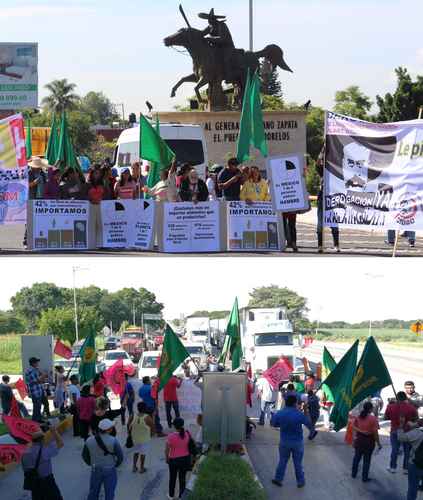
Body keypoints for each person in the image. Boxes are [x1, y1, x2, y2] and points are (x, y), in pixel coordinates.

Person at [270, 394, 317, 488]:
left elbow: (273, 423)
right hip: (297, 443)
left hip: (284, 442)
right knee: (298, 463)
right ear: (295, 403)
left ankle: (278, 479)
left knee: (282, 461)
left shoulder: (280, 413)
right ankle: (300, 481)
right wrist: (306, 411)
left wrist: (281, 425)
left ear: (286, 403)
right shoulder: (299, 414)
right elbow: (310, 425)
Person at [82, 419, 124, 500]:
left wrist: (91, 463)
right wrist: (116, 464)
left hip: (95, 468)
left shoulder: (89, 440)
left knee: (93, 491)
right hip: (109, 468)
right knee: (109, 492)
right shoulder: (113, 440)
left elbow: (84, 456)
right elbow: (120, 456)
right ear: (108, 429)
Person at [22, 425, 64, 500]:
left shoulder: (25, 453)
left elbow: (25, 469)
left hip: (34, 483)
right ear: (42, 439)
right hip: (47, 482)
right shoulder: (44, 450)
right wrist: (54, 431)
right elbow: (61, 443)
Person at [385, 391, 418, 473]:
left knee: (395, 449)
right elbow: (416, 419)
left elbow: (386, 417)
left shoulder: (390, 406)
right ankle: (405, 468)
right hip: (407, 431)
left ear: (397, 398)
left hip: (395, 430)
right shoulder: (411, 407)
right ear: (405, 398)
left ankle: (393, 467)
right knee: (407, 451)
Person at [351, 401, 381, 482]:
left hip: (359, 439)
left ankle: (353, 473)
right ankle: (364, 477)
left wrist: (360, 432)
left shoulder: (359, 416)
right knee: (367, 460)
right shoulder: (373, 419)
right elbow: (375, 433)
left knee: (357, 457)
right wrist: (378, 443)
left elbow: (353, 426)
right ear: (370, 409)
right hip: (369, 441)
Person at [316, 156, 340, 252]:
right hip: (322, 199)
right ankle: (320, 245)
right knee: (320, 224)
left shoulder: (336, 171)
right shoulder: (323, 170)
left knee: (334, 223)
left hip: (333, 199)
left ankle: (336, 244)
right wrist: (322, 153)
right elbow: (318, 163)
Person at [165, 417, 192, 500]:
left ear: (174, 426)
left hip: (173, 460)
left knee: (172, 478)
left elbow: (167, 450)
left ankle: (171, 495)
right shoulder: (187, 434)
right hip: (185, 459)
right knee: (182, 478)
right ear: (182, 425)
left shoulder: (170, 436)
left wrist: (167, 458)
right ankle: (181, 496)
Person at [398, 416, 423, 500]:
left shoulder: (417, 433)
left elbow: (401, 438)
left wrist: (401, 425)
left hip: (416, 464)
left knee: (413, 488)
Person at [129, 402, 154, 473]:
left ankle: (134, 467)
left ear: (138, 408)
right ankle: (142, 468)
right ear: (145, 408)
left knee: (136, 452)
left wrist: (130, 433)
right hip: (144, 438)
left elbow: (128, 424)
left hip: (135, 438)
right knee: (143, 453)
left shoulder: (133, 415)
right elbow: (152, 426)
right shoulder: (147, 417)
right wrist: (151, 434)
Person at [24, 357, 47, 422]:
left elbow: (40, 381)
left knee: (38, 406)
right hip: (35, 391)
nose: (38, 363)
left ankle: (38, 419)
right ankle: (35, 420)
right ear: (33, 363)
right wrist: (43, 376)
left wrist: (42, 375)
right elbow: (36, 381)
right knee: (36, 406)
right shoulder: (30, 371)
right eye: (37, 362)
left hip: (38, 390)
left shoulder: (35, 370)